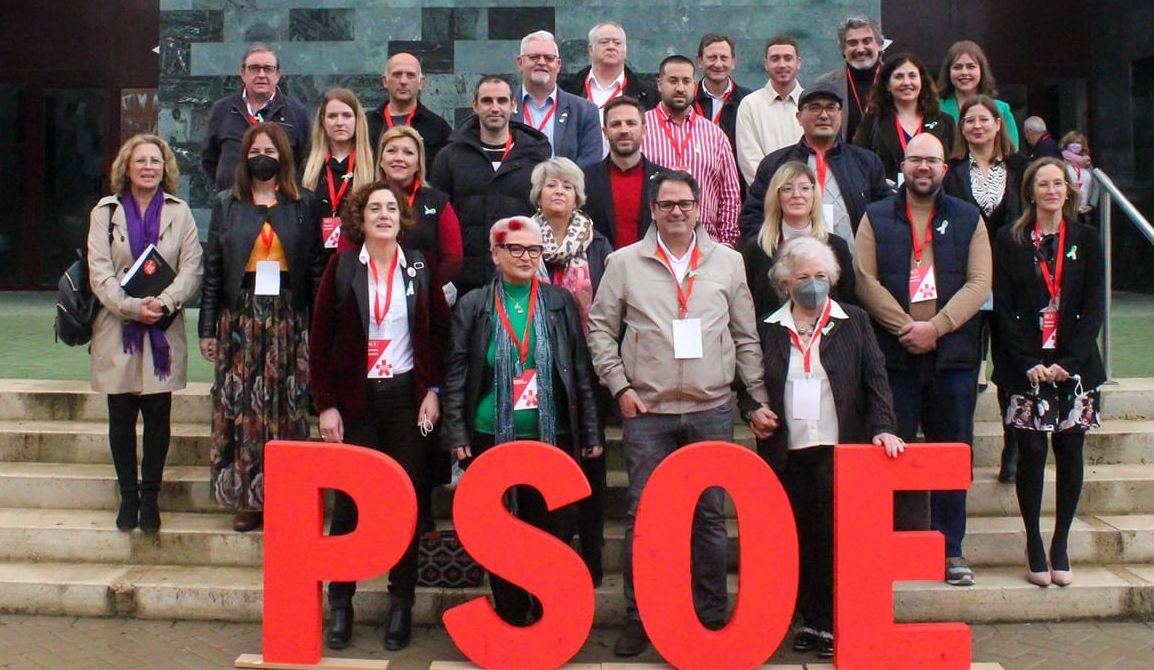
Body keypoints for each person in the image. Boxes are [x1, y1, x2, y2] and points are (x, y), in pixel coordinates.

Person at [587, 171, 777, 657]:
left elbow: (746, 336)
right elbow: (601, 330)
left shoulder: (728, 262)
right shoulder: (624, 262)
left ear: (699, 208)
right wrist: (620, 387)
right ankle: (640, 617)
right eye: (666, 204)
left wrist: (754, 399)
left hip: (711, 409)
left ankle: (710, 616)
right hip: (646, 411)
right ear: (652, 209)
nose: (676, 211)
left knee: (710, 517)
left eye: (685, 203)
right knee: (644, 516)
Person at [310, 182, 451, 651]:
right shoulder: (344, 266)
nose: (385, 214)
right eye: (376, 208)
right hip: (355, 403)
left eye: (392, 207)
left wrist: (433, 391)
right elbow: (319, 340)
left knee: (406, 502)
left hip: (407, 402)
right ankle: (341, 605)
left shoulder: (420, 267)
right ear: (361, 218)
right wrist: (326, 404)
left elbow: (438, 337)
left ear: (403, 217)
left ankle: (400, 605)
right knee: (349, 505)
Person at [441, 216, 601, 626]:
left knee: (553, 530)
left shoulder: (559, 302)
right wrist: (456, 431)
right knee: (500, 533)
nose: (527, 257)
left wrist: (592, 431)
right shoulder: (473, 305)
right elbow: (457, 372)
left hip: (553, 439)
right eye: (516, 249)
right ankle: (511, 613)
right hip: (490, 437)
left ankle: (549, 614)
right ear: (495, 254)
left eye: (534, 250)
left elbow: (579, 370)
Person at [752, 235, 901, 660]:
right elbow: (752, 382)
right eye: (804, 277)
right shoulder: (769, 327)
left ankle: (839, 621)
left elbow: (876, 378)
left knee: (839, 539)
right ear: (785, 283)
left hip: (842, 449)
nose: (813, 284)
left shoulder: (853, 320)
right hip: (789, 451)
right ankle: (811, 621)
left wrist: (884, 426)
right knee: (801, 539)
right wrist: (753, 410)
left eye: (821, 276)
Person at [854, 133, 991, 587]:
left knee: (953, 454)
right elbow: (863, 279)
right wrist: (905, 328)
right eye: (916, 160)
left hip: (952, 358)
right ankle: (891, 545)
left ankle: (951, 549)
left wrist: (938, 326)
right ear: (904, 166)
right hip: (894, 359)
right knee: (890, 455)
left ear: (944, 168)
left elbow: (979, 282)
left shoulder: (969, 218)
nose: (924, 168)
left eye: (932, 160)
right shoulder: (875, 216)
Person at [198, 122, 324, 533]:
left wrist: (319, 327)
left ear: (284, 156)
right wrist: (207, 328)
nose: (262, 157)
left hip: (289, 317)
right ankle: (248, 499)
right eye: (254, 152)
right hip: (241, 319)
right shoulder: (226, 204)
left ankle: (288, 498)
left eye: (269, 150)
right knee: (244, 412)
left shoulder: (304, 203)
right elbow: (214, 270)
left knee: (287, 410)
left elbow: (317, 269)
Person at [991, 158, 1104, 587]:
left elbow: (1094, 307)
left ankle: (1061, 541)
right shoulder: (1011, 239)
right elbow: (1003, 306)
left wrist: (1069, 363)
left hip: (1074, 366)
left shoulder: (1087, 240)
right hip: (1028, 366)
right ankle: (1034, 540)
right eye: (1044, 184)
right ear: (1031, 191)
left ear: (1069, 191)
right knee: (1033, 452)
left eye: (1059, 183)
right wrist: (1028, 362)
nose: (1052, 191)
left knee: (1070, 449)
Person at [87, 134, 204, 534]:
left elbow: (192, 268)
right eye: (141, 161)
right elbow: (99, 273)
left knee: (158, 415)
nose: (149, 167)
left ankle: (151, 497)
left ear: (165, 167)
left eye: (156, 161)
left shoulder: (180, 211)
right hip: (117, 325)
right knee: (121, 416)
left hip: (163, 327)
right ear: (127, 166)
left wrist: (165, 303)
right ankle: (128, 497)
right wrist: (134, 307)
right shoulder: (105, 212)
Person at [528, 157, 614, 585]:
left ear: (578, 195)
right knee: (546, 466)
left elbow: (614, 307)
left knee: (591, 465)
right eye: (550, 185)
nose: (558, 191)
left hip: (588, 371)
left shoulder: (599, 246)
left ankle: (592, 554)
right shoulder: (522, 242)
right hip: (537, 370)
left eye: (566, 186)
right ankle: (548, 553)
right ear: (538, 196)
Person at [944, 95, 1028, 482]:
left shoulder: (1022, 169)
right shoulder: (952, 172)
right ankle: (964, 448)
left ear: (998, 124)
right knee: (963, 366)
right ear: (961, 129)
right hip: (966, 282)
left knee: (1010, 365)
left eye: (984, 120)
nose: (977, 126)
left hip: (1013, 283)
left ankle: (1013, 446)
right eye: (969, 121)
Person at [429, 75, 550, 295]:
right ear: (474, 105)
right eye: (487, 101)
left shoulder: (536, 157)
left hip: (521, 276)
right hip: (465, 282)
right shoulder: (449, 157)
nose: (495, 108)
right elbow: (437, 218)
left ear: (513, 105)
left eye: (502, 101)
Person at [740, 81, 890, 247]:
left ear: (841, 115)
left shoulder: (866, 163)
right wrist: (773, 255)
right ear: (799, 117)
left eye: (831, 107)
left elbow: (885, 215)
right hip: (791, 266)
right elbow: (753, 217)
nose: (824, 115)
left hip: (854, 265)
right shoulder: (775, 165)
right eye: (815, 107)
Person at [642, 56, 743, 246]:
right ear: (659, 83)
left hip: (707, 247)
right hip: (652, 246)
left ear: (694, 85)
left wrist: (725, 244)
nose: (680, 88)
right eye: (673, 81)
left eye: (686, 81)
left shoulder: (715, 134)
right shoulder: (641, 129)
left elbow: (729, 194)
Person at [743, 161, 855, 317]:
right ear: (777, 196)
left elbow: (848, 303)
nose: (797, 195)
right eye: (787, 189)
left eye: (804, 188)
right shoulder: (757, 249)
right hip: (772, 337)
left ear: (814, 194)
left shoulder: (836, 247)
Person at [201, 44, 310, 193]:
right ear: (243, 73)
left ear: (278, 75)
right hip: (234, 205)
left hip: (282, 204)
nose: (261, 75)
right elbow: (209, 160)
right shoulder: (222, 110)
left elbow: (305, 160)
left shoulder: (297, 112)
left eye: (268, 69)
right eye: (254, 68)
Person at [376, 125, 464, 287]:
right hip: (374, 296)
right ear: (381, 160)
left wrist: (426, 288)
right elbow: (347, 255)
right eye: (391, 151)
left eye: (408, 153)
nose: (399, 158)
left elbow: (453, 258)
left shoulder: (437, 202)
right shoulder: (363, 200)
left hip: (424, 297)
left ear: (418, 163)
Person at [854, 53, 957, 184]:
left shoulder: (945, 122)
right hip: (888, 199)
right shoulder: (872, 122)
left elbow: (955, 167)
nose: (907, 82)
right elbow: (858, 163)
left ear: (921, 81)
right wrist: (878, 182)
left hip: (935, 198)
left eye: (912, 76)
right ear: (887, 85)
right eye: (899, 77)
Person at [582, 96, 668, 247]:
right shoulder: (584, 181)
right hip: (602, 268)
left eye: (631, 123)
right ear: (605, 132)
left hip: (653, 266)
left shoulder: (666, 181)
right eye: (616, 124)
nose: (624, 130)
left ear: (644, 130)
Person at [301, 88, 376, 253]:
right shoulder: (308, 168)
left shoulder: (373, 167)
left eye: (347, 115)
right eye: (332, 116)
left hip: (359, 258)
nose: (339, 122)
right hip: (315, 260)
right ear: (322, 121)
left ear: (358, 120)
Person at [513, 31, 603, 167]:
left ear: (558, 65)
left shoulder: (585, 111)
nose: (542, 62)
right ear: (520, 63)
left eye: (549, 58)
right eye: (534, 57)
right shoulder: (502, 108)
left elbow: (591, 162)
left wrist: (558, 184)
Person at [735, 35, 805, 186]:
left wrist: (803, 192)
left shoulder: (811, 104)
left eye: (788, 58)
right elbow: (749, 160)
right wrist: (777, 193)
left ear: (798, 63)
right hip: (767, 199)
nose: (782, 64)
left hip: (808, 197)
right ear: (765, 64)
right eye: (775, 59)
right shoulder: (750, 105)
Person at [366, 53, 453, 168]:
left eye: (410, 75)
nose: (403, 81)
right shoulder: (367, 123)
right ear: (385, 81)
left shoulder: (437, 127)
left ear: (421, 83)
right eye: (397, 75)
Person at [936, 40, 1020, 151]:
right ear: (948, 72)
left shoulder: (1001, 109)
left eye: (971, 66)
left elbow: (1011, 152)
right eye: (957, 67)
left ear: (982, 70)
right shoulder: (935, 108)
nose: (964, 72)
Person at [560, 22, 659, 113]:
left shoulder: (647, 94)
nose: (611, 47)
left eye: (617, 43)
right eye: (604, 42)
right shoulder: (565, 89)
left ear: (625, 50)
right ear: (590, 49)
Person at [816, 16, 885, 142]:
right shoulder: (825, 84)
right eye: (853, 43)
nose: (860, 49)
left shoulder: (897, 81)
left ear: (880, 45)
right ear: (843, 49)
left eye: (867, 41)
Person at [693, 34, 752, 163]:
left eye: (724, 58)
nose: (718, 64)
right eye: (712, 58)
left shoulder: (748, 101)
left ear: (733, 62)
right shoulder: (687, 100)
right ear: (699, 61)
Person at [1059, 131, 1101, 225]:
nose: (1075, 145)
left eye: (1078, 143)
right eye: (1072, 142)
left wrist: (1091, 205)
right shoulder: (1060, 162)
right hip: (1066, 210)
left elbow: (1095, 185)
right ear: (1066, 144)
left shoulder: (1088, 164)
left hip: (1083, 212)